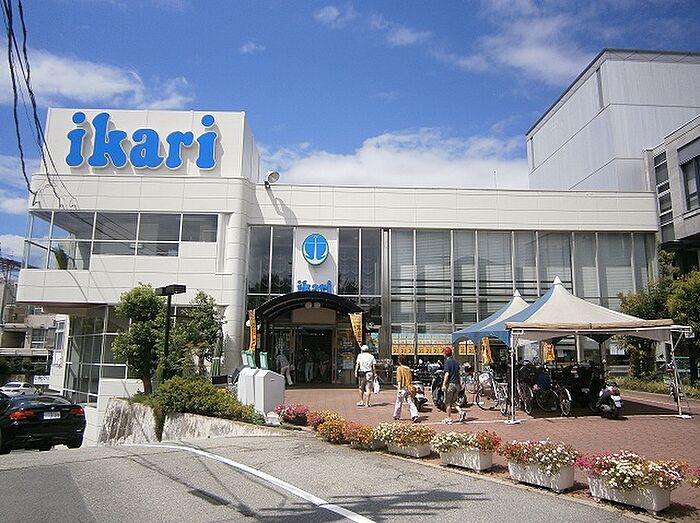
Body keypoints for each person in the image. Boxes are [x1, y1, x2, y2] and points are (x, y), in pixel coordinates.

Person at [393, 356, 419, 422]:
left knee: (399, 402)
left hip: (402, 388)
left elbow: (399, 380)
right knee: (410, 402)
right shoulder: (408, 369)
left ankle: (396, 415)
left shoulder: (399, 369)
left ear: (399, 361)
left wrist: (399, 389)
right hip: (409, 387)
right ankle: (415, 415)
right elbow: (410, 379)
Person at [441, 346, 463, 424]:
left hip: (451, 384)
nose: (443, 354)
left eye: (443, 352)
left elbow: (447, 374)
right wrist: (460, 383)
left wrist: (444, 384)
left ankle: (449, 418)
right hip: (457, 384)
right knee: (453, 401)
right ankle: (461, 412)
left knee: (447, 402)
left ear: (445, 353)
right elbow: (458, 374)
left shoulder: (447, 362)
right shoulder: (456, 362)